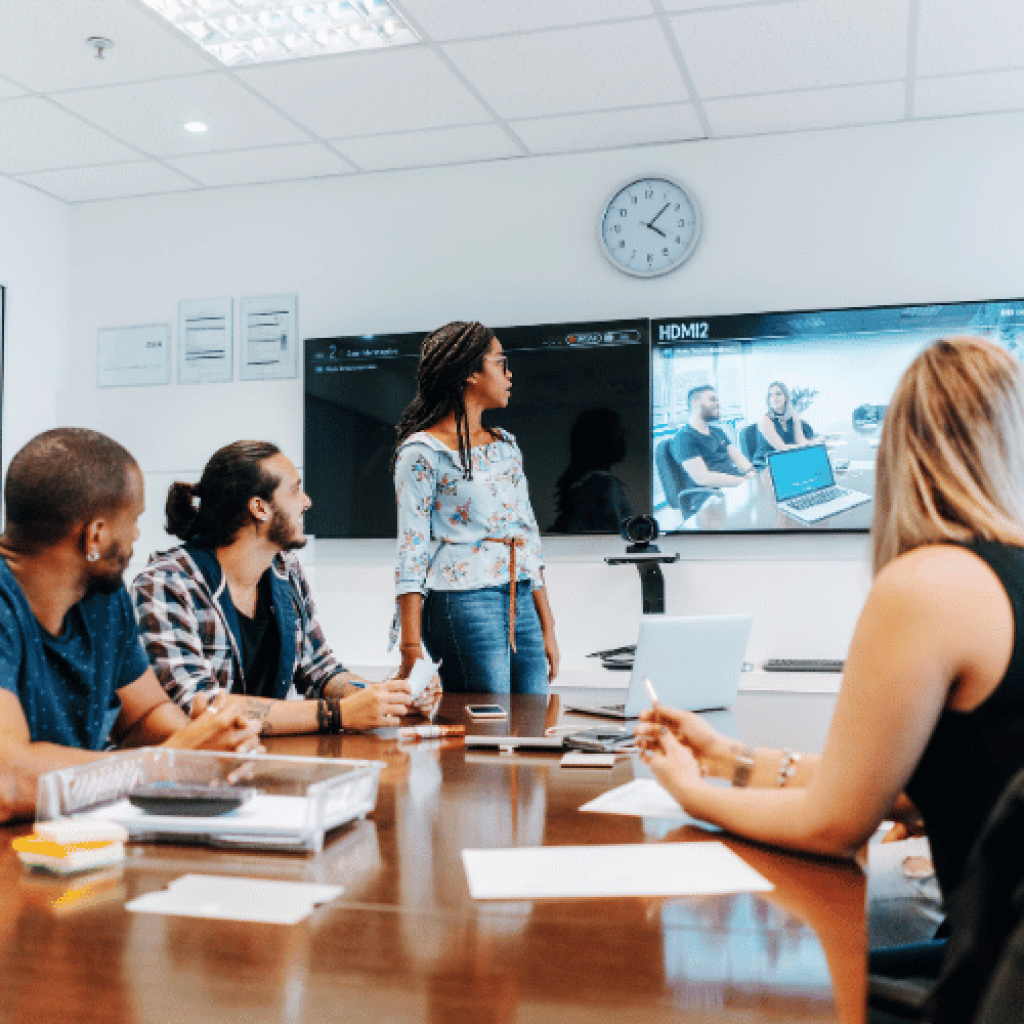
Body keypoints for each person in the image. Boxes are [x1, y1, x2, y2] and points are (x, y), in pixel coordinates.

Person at [637, 336, 1024, 912]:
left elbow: (836, 823)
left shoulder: (930, 584)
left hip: (987, 980)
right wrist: (726, 757)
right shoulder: (1002, 574)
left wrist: (694, 794)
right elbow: (885, 785)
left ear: (901, 448)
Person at [0, 428, 262, 824]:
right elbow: (9, 782)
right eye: (134, 520)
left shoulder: (103, 599)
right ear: (96, 534)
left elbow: (145, 715)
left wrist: (209, 749)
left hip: (66, 848)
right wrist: (166, 764)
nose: (137, 535)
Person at [132, 441, 438, 736]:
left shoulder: (285, 570)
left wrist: (381, 697)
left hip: (262, 761)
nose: (307, 502)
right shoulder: (167, 583)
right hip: (199, 773)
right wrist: (337, 714)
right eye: (295, 490)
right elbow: (199, 708)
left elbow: (320, 671)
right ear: (259, 508)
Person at [392, 321, 559, 693]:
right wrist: (409, 644)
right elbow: (411, 548)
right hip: (462, 600)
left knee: (534, 721)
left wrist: (547, 625)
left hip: (520, 596)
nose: (509, 374)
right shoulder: (422, 451)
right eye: (500, 363)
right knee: (484, 726)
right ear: (470, 373)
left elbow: (528, 537)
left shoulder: (506, 445)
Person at [549, 407, 633, 533]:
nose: (624, 440)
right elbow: (610, 542)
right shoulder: (602, 485)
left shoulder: (582, 484)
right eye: (619, 433)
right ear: (601, 439)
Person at [673, 384, 757, 489]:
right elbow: (702, 478)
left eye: (717, 400)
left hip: (733, 485)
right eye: (712, 400)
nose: (717, 404)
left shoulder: (717, 432)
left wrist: (752, 473)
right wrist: (744, 481)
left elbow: (737, 457)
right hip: (712, 494)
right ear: (695, 402)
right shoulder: (684, 438)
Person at [753, 381, 815, 465]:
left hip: (785, 458)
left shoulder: (793, 415)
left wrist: (814, 444)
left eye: (778, 394)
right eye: (771, 395)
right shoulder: (765, 420)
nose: (774, 398)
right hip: (766, 462)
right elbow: (781, 448)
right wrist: (810, 445)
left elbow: (800, 440)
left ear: (786, 397)